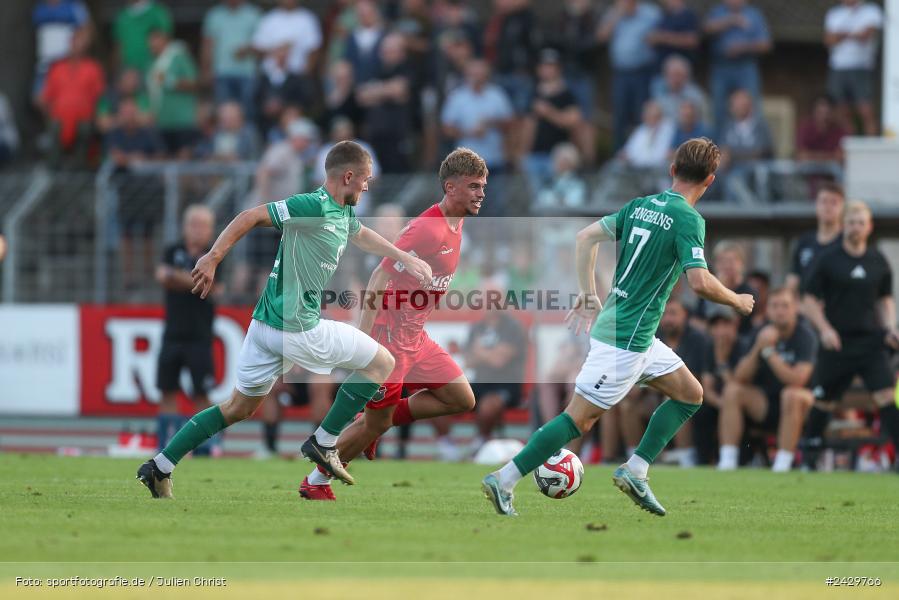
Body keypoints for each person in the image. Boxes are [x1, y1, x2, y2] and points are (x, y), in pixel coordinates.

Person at [136, 141, 433, 498]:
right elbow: (250, 216)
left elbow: (363, 236)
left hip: (264, 327)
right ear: (349, 176)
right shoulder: (313, 205)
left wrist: (405, 257)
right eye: (366, 179)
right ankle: (325, 442)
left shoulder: (343, 213)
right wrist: (213, 257)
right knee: (382, 361)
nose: (368, 186)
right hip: (295, 326)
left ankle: (159, 467)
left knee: (237, 407)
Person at [481, 137, 755, 517]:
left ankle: (636, 470)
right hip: (625, 340)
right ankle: (505, 478)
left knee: (690, 394)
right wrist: (737, 300)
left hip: (633, 334)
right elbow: (700, 282)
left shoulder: (641, 205)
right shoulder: (690, 220)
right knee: (578, 419)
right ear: (709, 181)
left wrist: (588, 293)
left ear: (672, 170)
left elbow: (585, 237)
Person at [299, 147, 487, 499]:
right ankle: (316, 482)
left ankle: (373, 424)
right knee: (376, 423)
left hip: (417, 337)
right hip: (390, 338)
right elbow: (377, 276)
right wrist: (366, 340)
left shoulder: (457, 223)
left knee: (461, 398)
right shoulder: (426, 230)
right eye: (474, 186)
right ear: (451, 187)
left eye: (483, 186)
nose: (481, 194)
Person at [801, 201, 899, 470]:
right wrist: (825, 329)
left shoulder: (878, 260)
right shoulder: (828, 259)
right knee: (823, 399)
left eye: (860, 223)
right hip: (837, 342)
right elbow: (808, 300)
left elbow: (885, 299)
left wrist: (890, 327)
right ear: (844, 225)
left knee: (885, 396)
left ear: (869, 227)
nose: (855, 227)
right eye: (851, 222)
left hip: (870, 342)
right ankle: (809, 455)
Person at [717, 287, 817, 472]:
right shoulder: (760, 333)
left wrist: (769, 353)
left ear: (795, 308)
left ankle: (782, 464)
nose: (780, 311)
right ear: (768, 310)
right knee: (732, 391)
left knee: (791, 394)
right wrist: (758, 348)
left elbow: (798, 380)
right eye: (775, 306)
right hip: (765, 403)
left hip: (801, 406)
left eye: (785, 306)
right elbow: (740, 376)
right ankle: (727, 461)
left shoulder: (805, 335)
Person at [155, 206, 223, 457]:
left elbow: (214, 287)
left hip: (200, 336)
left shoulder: (215, 254)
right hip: (172, 334)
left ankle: (204, 447)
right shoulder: (173, 250)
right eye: (193, 224)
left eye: (203, 225)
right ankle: (166, 446)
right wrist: (194, 279)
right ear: (185, 227)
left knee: (201, 394)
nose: (198, 229)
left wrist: (177, 277)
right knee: (168, 390)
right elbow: (162, 275)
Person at [597, 0, 662, 150]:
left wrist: (655, 39)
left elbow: (663, 34)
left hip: (643, 72)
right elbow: (601, 37)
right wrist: (617, 15)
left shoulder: (651, 13)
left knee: (642, 115)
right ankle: (619, 155)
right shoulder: (613, 13)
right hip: (620, 73)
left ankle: (643, 153)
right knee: (619, 116)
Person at [703, 0, 771, 134]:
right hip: (721, 66)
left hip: (746, 66)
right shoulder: (718, 11)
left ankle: (754, 145)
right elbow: (706, 29)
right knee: (719, 110)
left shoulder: (754, 15)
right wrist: (731, 21)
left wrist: (743, 47)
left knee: (751, 107)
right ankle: (718, 148)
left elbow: (765, 44)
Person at [39, 28, 104, 167]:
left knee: (85, 133)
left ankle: (79, 179)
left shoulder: (93, 68)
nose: (78, 46)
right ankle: (52, 177)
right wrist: (48, 116)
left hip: (83, 119)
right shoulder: (57, 68)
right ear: (70, 43)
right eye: (76, 41)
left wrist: (96, 116)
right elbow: (46, 97)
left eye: (82, 42)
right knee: (54, 132)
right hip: (59, 118)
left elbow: (99, 97)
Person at [522, 49, 585, 192]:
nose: (547, 70)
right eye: (544, 66)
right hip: (535, 155)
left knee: (557, 198)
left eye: (551, 66)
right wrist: (523, 153)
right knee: (538, 200)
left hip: (559, 156)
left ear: (559, 69)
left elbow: (573, 121)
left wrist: (549, 112)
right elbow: (528, 125)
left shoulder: (567, 94)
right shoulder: (533, 92)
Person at [824, 0, 883, 136]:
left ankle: (871, 146)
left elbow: (866, 36)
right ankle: (848, 145)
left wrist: (841, 35)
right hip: (838, 66)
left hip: (861, 66)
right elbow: (828, 40)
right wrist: (854, 34)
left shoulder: (871, 11)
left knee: (865, 109)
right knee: (841, 110)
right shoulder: (834, 13)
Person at [201, 0, 262, 116]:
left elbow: (262, 42)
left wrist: (247, 50)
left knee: (247, 112)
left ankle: (247, 134)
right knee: (224, 112)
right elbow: (207, 45)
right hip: (221, 72)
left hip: (247, 73)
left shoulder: (253, 14)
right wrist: (206, 70)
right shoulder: (214, 15)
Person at [147, 28, 199, 158]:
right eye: (150, 41)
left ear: (166, 40)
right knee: (164, 160)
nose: (153, 44)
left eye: (156, 40)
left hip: (183, 120)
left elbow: (194, 83)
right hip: (162, 121)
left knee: (184, 161)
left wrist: (170, 81)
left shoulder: (179, 57)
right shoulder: (152, 62)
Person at [786, 183, 845, 295]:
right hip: (805, 309)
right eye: (824, 201)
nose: (828, 207)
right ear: (816, 205)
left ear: (842, 207)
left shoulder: (846, 242)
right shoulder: (804, 242)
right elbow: (793, 281)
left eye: (834, 202)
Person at [32, 0, 91, 100]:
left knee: (67, 97)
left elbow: (86, 30)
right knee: (39, 98)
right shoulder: (40, 7)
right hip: (45, 61)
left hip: (66, 61)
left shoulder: (73, 6)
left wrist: (77, 51)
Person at [113, 0, 173, 75]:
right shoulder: (122, 16)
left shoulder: (158, 13)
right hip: (128, 74)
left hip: (154, 71)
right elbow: (118, 48)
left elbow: (167, 44)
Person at [796, 95, 848, 163]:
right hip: (808, 173)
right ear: (813, 113)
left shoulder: (839, 130)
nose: (823, 118)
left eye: (827, 114)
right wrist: (829, 157)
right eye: (820, 113)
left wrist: (812, 156)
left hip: (832, 173)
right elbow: (801, 156)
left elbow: (840, 157)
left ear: (833, 113)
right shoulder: (805, 127)